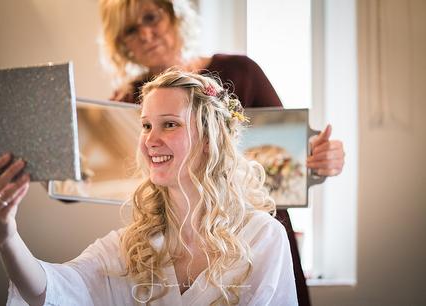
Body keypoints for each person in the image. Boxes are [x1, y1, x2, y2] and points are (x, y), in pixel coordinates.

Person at [98, 0, 345, 305]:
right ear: (122, 44)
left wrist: (319, 161)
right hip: (175, 246)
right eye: (131, 30)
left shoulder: (240, 72)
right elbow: (94, 174)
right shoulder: (123, 104)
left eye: (151, 18)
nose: (146, 34)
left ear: (174, 16)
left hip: (254, 236)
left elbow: (290, 148)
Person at [0, 70, 298, 305]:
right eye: (146, 125)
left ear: (208, 139)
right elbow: (52, 290)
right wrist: (6, 235)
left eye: (169, 124)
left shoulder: (262, 238)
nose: (150, 139)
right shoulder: (131, 247)